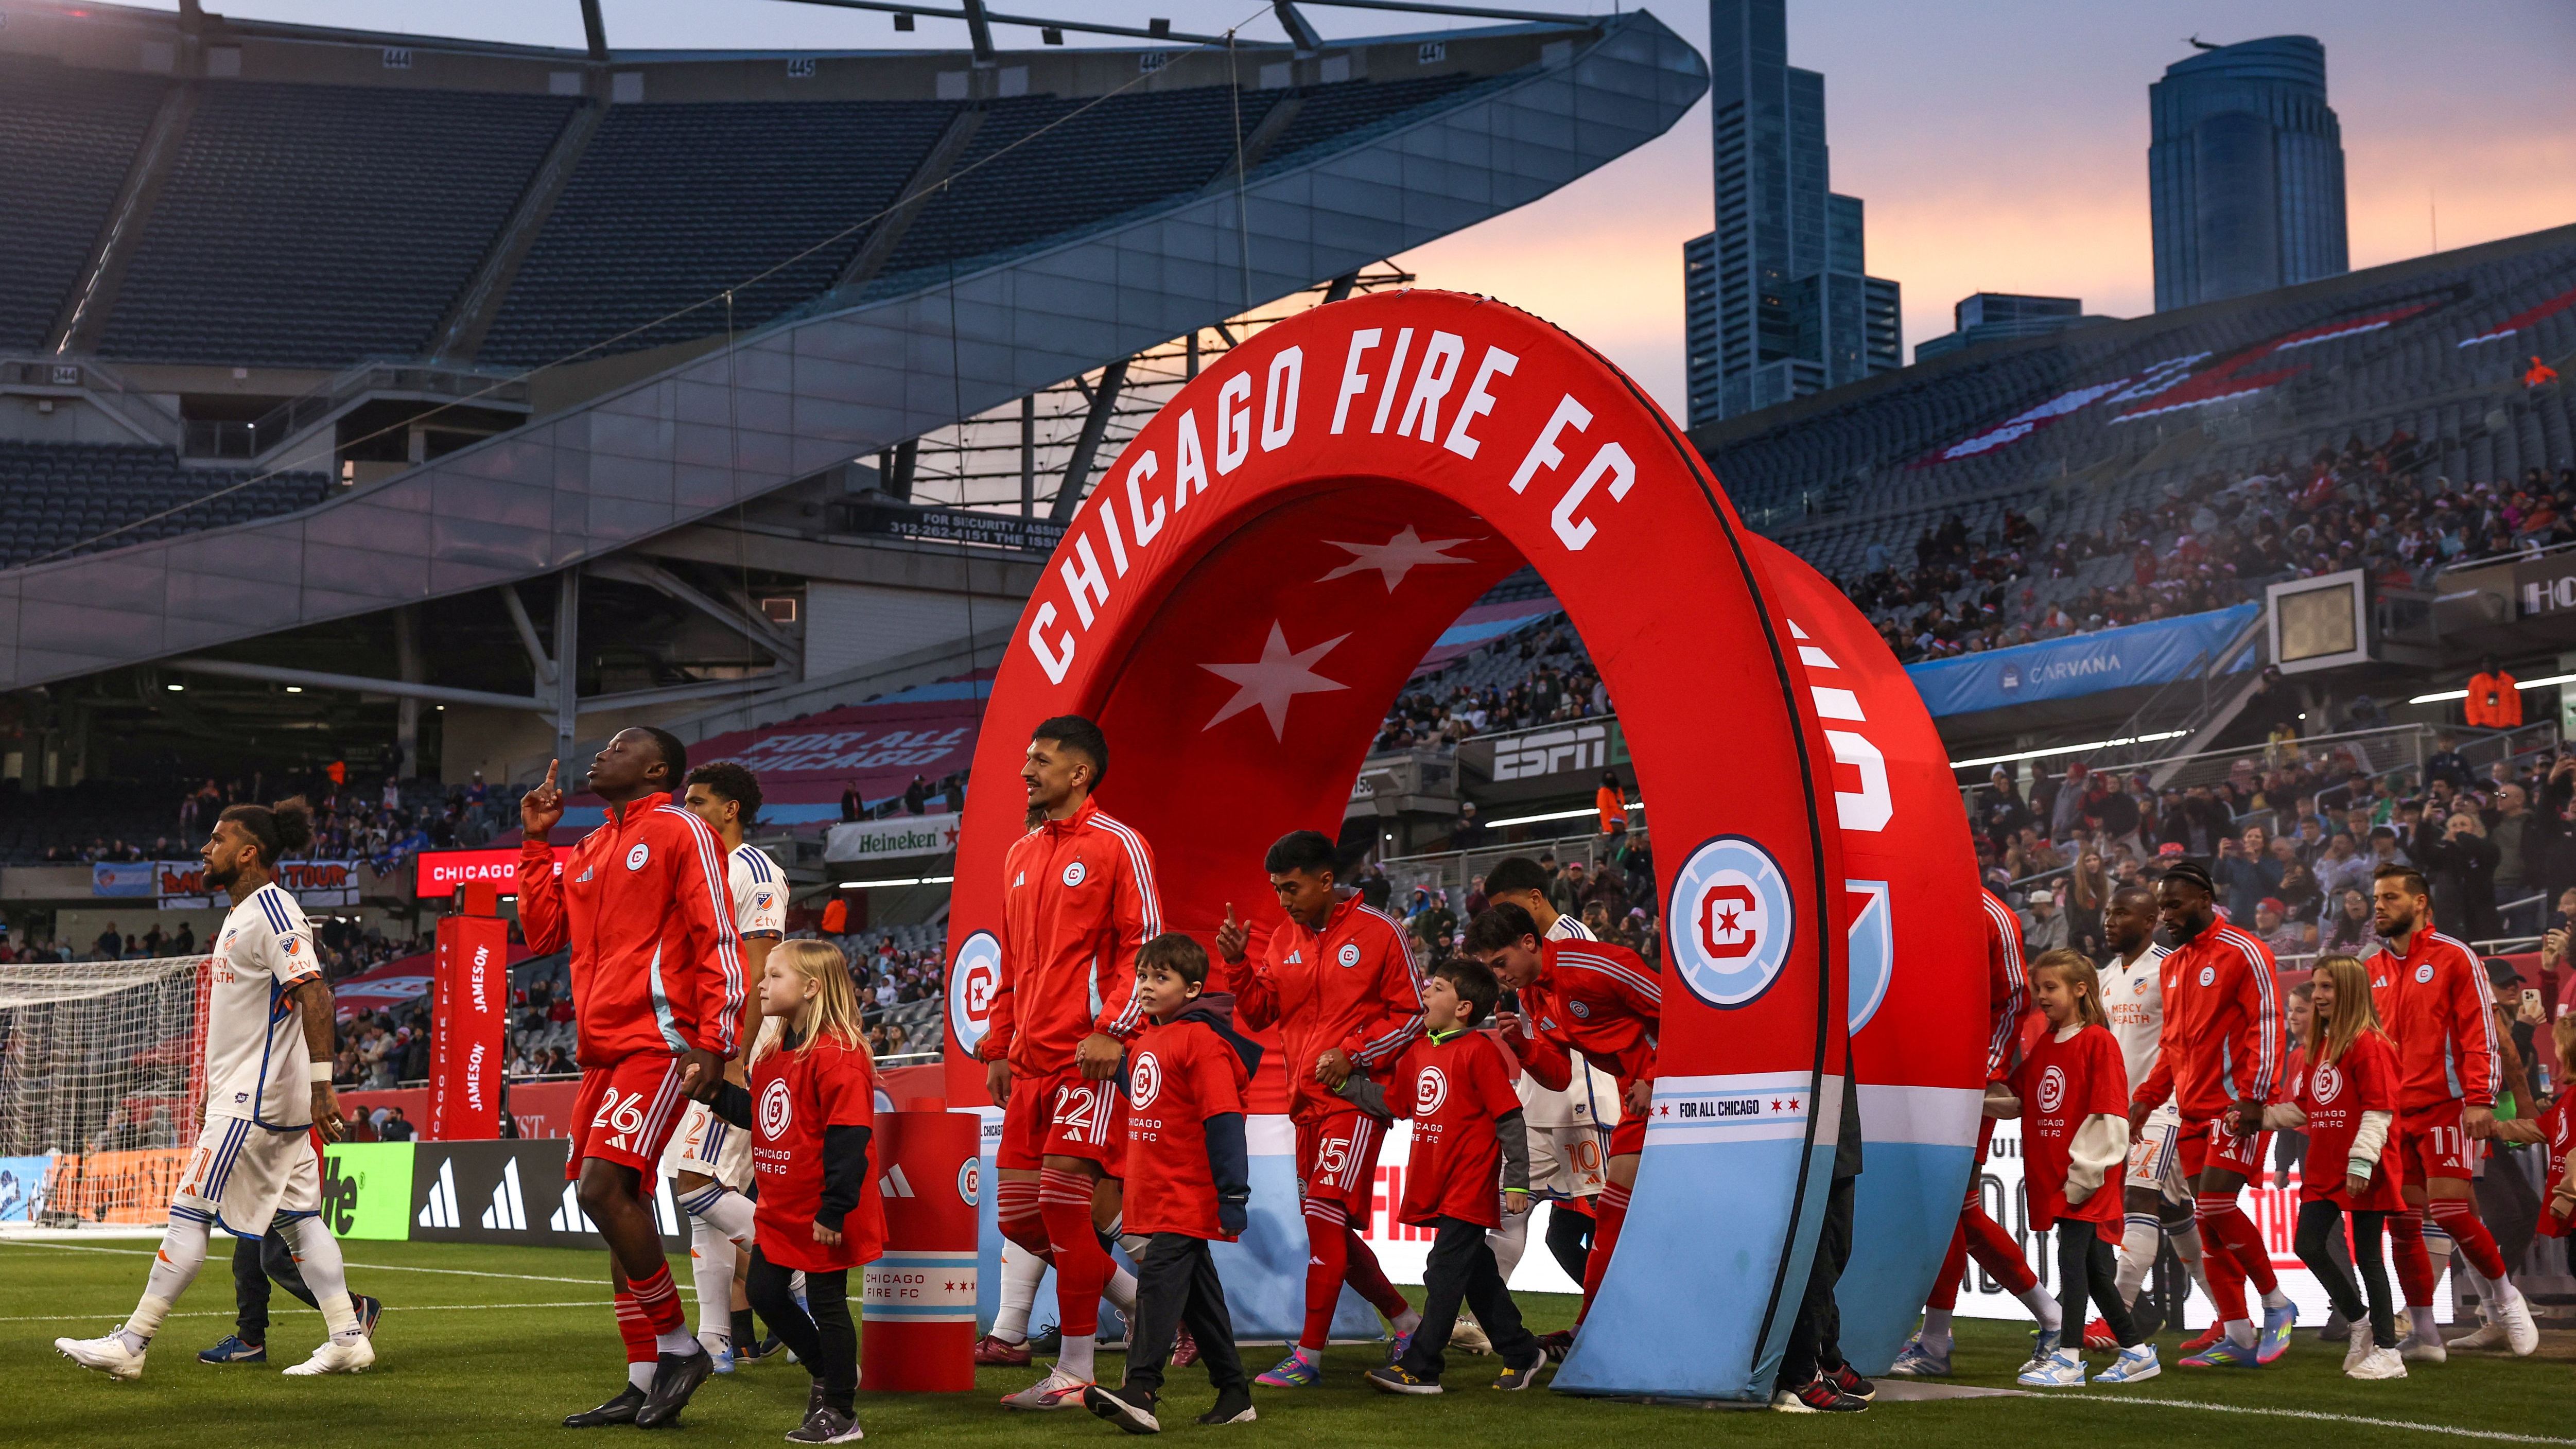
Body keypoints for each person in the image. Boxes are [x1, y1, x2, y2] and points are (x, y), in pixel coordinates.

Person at [57, 798, 375, 1380]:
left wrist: (324, 1085)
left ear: (248, 851)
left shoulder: (274, 910)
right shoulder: (241, 914)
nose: (206, 848)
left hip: (252, 1104)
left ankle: (132, 1343)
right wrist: (212, 1084)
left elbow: (316, 994)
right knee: (300, 1220)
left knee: (188, 1211)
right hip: (247, 1095)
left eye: (217, 838)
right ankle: (348, 1335)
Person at [518, 729, 747, 1428]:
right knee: (617, 1212)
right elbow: (541, 932)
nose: (599, 753)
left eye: (619, 746)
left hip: (661, 1041)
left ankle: (681, 1345)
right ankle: (643, 1375)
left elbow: (717, 930)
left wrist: (717, 1038)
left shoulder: (681, 829)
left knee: (602, 1186)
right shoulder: (587, 847)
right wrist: (536, 842)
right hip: (600, 1051)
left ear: (655, 769)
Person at [980, 716, 1160, 1409]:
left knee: (1060, 1208)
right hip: (1029, 1064)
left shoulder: (1120, 844)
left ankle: (1075, 1370)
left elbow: (1143, 949)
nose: (1027, 770)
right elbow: (1010, 961)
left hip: (1091, 1060)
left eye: (1041, 759)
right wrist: (999, 1043)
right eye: (1027, 758)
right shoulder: (1020, 853)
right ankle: (1143, 1301)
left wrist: (1115, 1028)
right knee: (1020, 1219)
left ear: (1079, 772)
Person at [1216, 830, 1426, 1388]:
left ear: (1327, 880)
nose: (1284, 900)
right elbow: (1261, 1013)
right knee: (1327, 1230)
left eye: (1292, 888)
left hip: (1353, 1102)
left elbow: (1412, 1013)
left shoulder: (1380, 932)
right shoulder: (1284, 935)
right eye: (1278, 890)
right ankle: (1409, 1324)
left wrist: (1353, 1054)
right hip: (1304, 1106)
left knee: (1326, 1220)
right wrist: (1238, 966)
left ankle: (1308, 1357)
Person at [703, 939, 885, 1445]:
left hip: (824, 1209)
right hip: (781, 1207)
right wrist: (715, 1093)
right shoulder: (775, 1053)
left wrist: (834, 1209)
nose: (761, 983)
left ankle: (842, 1412)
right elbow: (762, 1118)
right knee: (763, 1293)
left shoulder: (840, 1056)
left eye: (775, 975)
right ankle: (827, 1373)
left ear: (811, 987)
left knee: (828, 1304)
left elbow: (850, 1138)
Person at [1083, 933, 1260, 1433]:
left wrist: (1232, 1194)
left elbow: (1224, 1120)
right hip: (1156, 1192)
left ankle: (1141, 1389)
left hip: (1188, 1194)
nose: (1146, 985)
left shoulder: (1203, 1041)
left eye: (1162, 977)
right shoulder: (1149, 1041)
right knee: (1200, 1298)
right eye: (1142, 975)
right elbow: (1144, 1088)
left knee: (1159, 1286)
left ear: (1194, 988)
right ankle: (1235, 1393)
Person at [1346, 958, 1548, 1395]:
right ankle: (1521, 1350)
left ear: (1463, 1007)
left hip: (1469, 1185)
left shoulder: (1480, 1051)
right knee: (1474, 1274)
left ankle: (1422, 1367)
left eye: (1437, 988)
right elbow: (1394, 1102)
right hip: (1435, 1183)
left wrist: (1516, 1181)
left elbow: (1509, 1118)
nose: (1425, 994)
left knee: (1443, 1271)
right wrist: (1346, 1084)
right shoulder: (1420, 1051)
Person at [2362, 864, 2539, 1358]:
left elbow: (2480, 1033)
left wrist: (2480, 1098)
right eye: (2377, 897)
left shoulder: (2454, 956)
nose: (2379, 905)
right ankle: (2424, 1332)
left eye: (2391, 897)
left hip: (2446, 1106)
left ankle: (2507, 1301)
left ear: (2420, 903)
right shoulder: (2371, 967)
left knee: (2451, 1210)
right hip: (2392, 1114)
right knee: (2405, 1223)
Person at [2129, 861, 2294, 1369]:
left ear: (2204, 898)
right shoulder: (2174, 964)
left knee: (2215, 1209)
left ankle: (2276, 1303)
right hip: (2191, 1111)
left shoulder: (2244, 950)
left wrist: (2253, 1096)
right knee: (2211, 1228)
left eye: (2174, 904)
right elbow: (2173, 1046)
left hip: (2234, 1108)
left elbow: (2267, 1023)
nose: (2166, 916)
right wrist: (2148, 1096)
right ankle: (2240, 1335)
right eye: (2162, 907)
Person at [1466, 902, 1657, 1342]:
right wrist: (1523, 1047)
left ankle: (1614, 1327)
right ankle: (1595, 1329)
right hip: (1639, 1100)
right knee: (1609, 1216)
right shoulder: (1534, 992)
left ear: (1530, 941)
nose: (1500, 975)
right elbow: (1558, 1074)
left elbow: (1681, 1011)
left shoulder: (1590, 962)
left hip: (1673, 1089)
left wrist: (1651, 1076)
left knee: (1616, 1219)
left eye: (1501, 961)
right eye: (1491, 967)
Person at [1891, 891, 2060, 1377]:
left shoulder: (1990, 913)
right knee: (1957, 1211)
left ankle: (1936, 1342)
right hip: (1917, 1078)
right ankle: (2051, 1316)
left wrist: (1979, 1076)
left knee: (1941, 1211)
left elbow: (2015, 1002)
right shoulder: (1906, 898)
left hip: (1965, 1084)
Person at [662, 760, 789, 1369]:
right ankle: (715, 1338)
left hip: (737, 1052)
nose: (689, 811)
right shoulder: (693, 870)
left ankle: (794, 1278)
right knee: (700, 1191)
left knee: (698, 1183)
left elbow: (761, 971)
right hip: (697, 1049)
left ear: (731, 808)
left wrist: (737, 1058)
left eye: (699, 801)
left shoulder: (755, 872)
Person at [1473, 855, 1620, 1360]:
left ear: (1535, 899)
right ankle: (1480, 1319)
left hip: (1583, 1098)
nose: (1502, 921)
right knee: (1508, 1206)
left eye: (1507, 907)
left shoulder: (1575, 939)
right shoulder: (1520, 953)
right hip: (1538, 1093)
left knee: (1599, 1222)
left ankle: (1615, 1320)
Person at [1992, 950, 2157, 1387]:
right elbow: (2019, 1097)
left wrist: (2083, 1177)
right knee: (2095, 1269)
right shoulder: (2047, 1042)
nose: (2041, 996)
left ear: (2080, 988)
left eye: (2051, 988)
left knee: (2072, 1260)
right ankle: (2138, 1352)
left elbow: (2110, 1116)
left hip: (2086, 1178)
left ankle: (2068, 1357)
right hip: (2062, 1178)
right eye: (2039, 987)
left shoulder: (2098, 1041)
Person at [2264, 954, 2408, 1380]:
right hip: (2325, 1165)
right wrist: (2262, 1118)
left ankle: (2388, 1351)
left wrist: (2362, 1161)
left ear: (2350, 991)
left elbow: (2380, 1109)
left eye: (2328, 987)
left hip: (2363, 1165)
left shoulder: (2370, 1043)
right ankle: (2359, 1322)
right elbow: (2308, 1106)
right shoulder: (2320, 1045)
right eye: (2317, 986)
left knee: (2368, 1257)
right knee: (2307, 1244)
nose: (2320, 995)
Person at [2087, 886, 2215, 1348]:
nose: (2110, 920)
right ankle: (2228, 1315)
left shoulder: (2170, 967)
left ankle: (2116, 1315)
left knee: (2139, 1200)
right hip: (2119, 1112)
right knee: (2176, 1213)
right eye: (2107, 912)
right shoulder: (2103, 977)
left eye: (2121, 913)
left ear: (2149, 921)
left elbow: (2188, 1040)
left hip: (2164, 1107)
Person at [196, 1230, 384, 1367]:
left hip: (285, 1184)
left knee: (275, 1258)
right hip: (263, 1185)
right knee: (247, 1256)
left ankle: (355, 1309)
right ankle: (249, 1340)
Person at [2464, 656, 2521, 729]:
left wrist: (2516, 723)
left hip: (2507, 726)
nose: (2486, 665)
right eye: (2484, 663)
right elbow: (2470, 703)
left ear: (2497, 664)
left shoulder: (2510, 681)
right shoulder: (2476, 681)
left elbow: (2516, 703)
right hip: (2484, 726)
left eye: (2489, 663)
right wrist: (2474, 723)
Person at [1594, 770, 1628, 837]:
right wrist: (1608, 829)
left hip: (1621, 828)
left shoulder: (1619, 791)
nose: (1610, 779)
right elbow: (1604, 812)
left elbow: (1622, 808)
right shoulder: (1603, 792)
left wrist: (1625, 826)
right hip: (1612, 830)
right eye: (1608, 777)